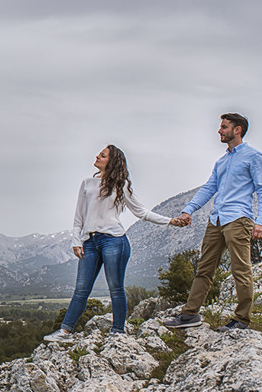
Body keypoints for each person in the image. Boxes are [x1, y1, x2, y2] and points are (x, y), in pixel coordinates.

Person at [44, 145, 185, 342]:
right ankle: (65, 331)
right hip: (89, 242)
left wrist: (169, 220)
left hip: (114, 241)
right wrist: (76, 240)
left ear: (111, 161)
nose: (97, 156)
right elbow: (79, 217)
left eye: (102, 155)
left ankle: (117, 332)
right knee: (81, 288)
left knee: (115, 288)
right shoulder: (87, 183)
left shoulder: (121, 185)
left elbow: (141, 212)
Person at [164, 113, 262, 332]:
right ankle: (190, 314)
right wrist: (188, 210)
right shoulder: (221, 161)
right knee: (204, 268)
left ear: (237, 129)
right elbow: (209, 188)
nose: (219, 131)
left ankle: (241, 320)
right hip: (217, 219)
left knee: (241, 269)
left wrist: (261, 221)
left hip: (239, 219)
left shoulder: (254, 156)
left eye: (223, 127)